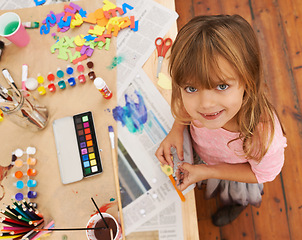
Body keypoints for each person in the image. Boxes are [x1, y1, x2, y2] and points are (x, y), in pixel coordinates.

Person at [155, 14, 287, 227]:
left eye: (222, 86)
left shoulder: (263, 138)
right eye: (192, 88)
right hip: (204, 156)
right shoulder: (196, 102)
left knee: (234, 195)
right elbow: (182, 103)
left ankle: (236, 205)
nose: (205, 104)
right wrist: (176, 130)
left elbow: (262, 173)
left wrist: (208, 171)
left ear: (248, 80)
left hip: (233, 174)